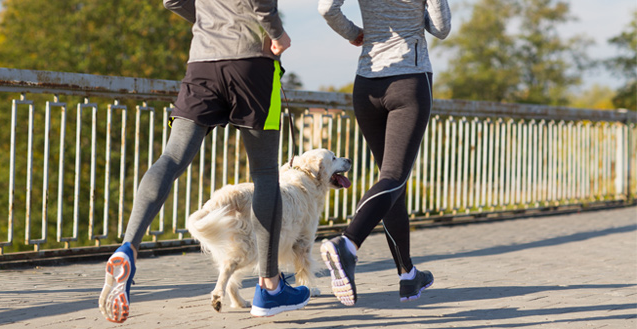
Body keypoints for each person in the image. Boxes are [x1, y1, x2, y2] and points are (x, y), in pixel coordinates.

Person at [99, 0, 310, 322]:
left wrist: (212, 20)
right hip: (252, 62)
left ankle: (127, 247)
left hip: (203, 62)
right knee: (266, 173)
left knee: (171, 157)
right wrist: (277, 34)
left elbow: (172, 0)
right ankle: (270, 287)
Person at [317, 0, 451, 306]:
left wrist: (353, 33)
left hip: (367, 84)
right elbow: (442, 29)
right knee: (394, 177)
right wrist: (418, 19)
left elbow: (327, 8)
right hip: (409, 79)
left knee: (391, 182)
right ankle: (347, 243)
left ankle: (407, 274)